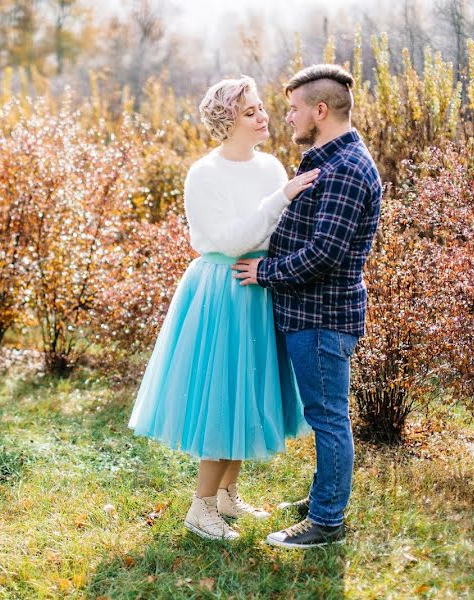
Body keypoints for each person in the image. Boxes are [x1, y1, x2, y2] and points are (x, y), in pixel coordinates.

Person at [128, 76, 319, 541]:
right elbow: (232, 240)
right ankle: (200, 508)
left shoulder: (273, 168)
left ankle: (227, 494)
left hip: (260, 285)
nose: (263, 116)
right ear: (227, 120)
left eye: (260, 108)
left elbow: (276, 234)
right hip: (222, 290)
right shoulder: (205, 174)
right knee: (222, 394)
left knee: (248, 392)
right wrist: (283, 197)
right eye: (250, 111)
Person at [232, 64, 383, 549]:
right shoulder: (323, 159)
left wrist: (264, 273)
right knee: (325, 415)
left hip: (323, 318)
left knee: (329, 418)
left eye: (295, 108)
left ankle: (327, 522)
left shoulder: (346, 170)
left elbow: (325, 254)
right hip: (310, 315)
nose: (288, 116)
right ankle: (325, 497)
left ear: (320, 110)